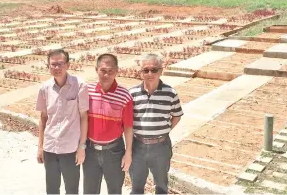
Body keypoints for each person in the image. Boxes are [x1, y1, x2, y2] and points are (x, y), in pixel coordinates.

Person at [35, 49, 89, 194]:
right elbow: (43, 118)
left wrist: (82, 147)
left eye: (60, 64)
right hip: (50, 147)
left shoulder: (80, 85)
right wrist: (40, 147)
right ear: (49, 66)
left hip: (70, 148)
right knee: (52, 189)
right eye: (53, 65)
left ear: (68, 65)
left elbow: (84, 117)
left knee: (72, 190)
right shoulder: (45, 88)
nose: (57, 68)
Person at [129, 53, 184, 194]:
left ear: (161, 71)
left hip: (161, 147)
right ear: (140, 72)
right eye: (145, 70)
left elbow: (176, 116)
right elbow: (128, 121)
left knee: (161, 187)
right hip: (137, 147)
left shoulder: (170, 93)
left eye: (154, 70)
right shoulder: (132, 94)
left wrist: (163, 131)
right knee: (136, 187)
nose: (149, 73)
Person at [83, 53, 133, 194]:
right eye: (103, 70)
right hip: (90, 151)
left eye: (110, 71)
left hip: (114, 152)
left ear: (117, 71)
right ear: (96, 69)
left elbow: (128, 127)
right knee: (90, 191)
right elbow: (81, 120)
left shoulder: (124, 95)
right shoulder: (87, 91)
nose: (106, 75)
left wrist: (128, 153)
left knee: (115, 190)